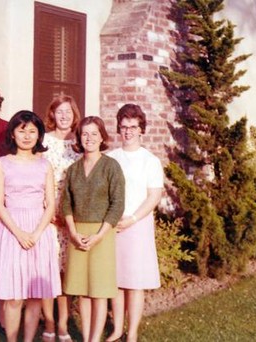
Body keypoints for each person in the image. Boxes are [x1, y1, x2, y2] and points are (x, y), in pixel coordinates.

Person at [0, 110, 62, 342]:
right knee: (14, 296)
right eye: (22, 131)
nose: (27, 136)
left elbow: (51, 204)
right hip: (12, 229)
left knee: (34, 296)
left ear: (39, 135)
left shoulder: (45, 165)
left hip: (38, 230)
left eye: (32, 131)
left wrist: (36, 232)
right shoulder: (2, 164)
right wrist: (19, 233)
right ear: (12, 134)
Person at [61, 116, 125, 342]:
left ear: (102, 137)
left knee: (98, 291)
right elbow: (66, 203)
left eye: (93, 134)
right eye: (84, 134)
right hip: (77, 234)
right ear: (78, 138)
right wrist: (73, 232)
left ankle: (94, 340)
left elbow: (117, 204)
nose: (89, 138)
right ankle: (87, 337)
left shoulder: (111, 166)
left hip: (102, 234)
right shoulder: (73, 169)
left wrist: (99, 236)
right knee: (82, 290)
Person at [105, 104, 164, 342]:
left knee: (135, 281)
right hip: (113, 225)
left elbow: (154, 196)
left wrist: (132, 219)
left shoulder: (150, 160)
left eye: (132, 127)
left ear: (141, 130)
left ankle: (132, 333)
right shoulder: (110, 158)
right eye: (123, 127)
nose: (127, 131)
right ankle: (117, 329)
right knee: (116, 280)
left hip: (137, 225)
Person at [41, 95, 81, 342]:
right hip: (47, 211)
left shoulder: (80, 142)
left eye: (68, 111)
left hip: (72, 215)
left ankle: (64, 324)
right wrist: (51, 209)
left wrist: (69, 213)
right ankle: (48, 322)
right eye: (59, 111)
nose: (64, 115)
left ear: (74, 114)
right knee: (48, 269)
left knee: (66, 272)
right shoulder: (44, 141)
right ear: (52, 115)